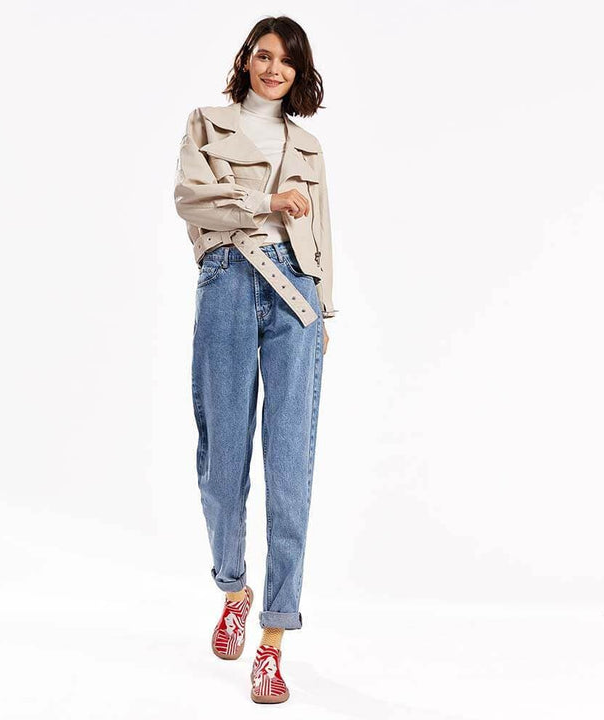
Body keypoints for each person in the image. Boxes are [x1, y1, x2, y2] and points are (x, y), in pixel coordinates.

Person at [173, 15, 338, 704]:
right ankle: (233, 587)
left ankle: (273, 637)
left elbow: (320, 231)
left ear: (299, 73)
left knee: (290, 467)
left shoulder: (308, 146)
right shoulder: (206, 125)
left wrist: (324, 310)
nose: (275, 70)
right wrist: (266, 201)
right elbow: (192, 201)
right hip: (228, 282)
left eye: (288, 62)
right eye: (264, 56)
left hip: (296, 296)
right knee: (222, 462)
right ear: (246, 60)